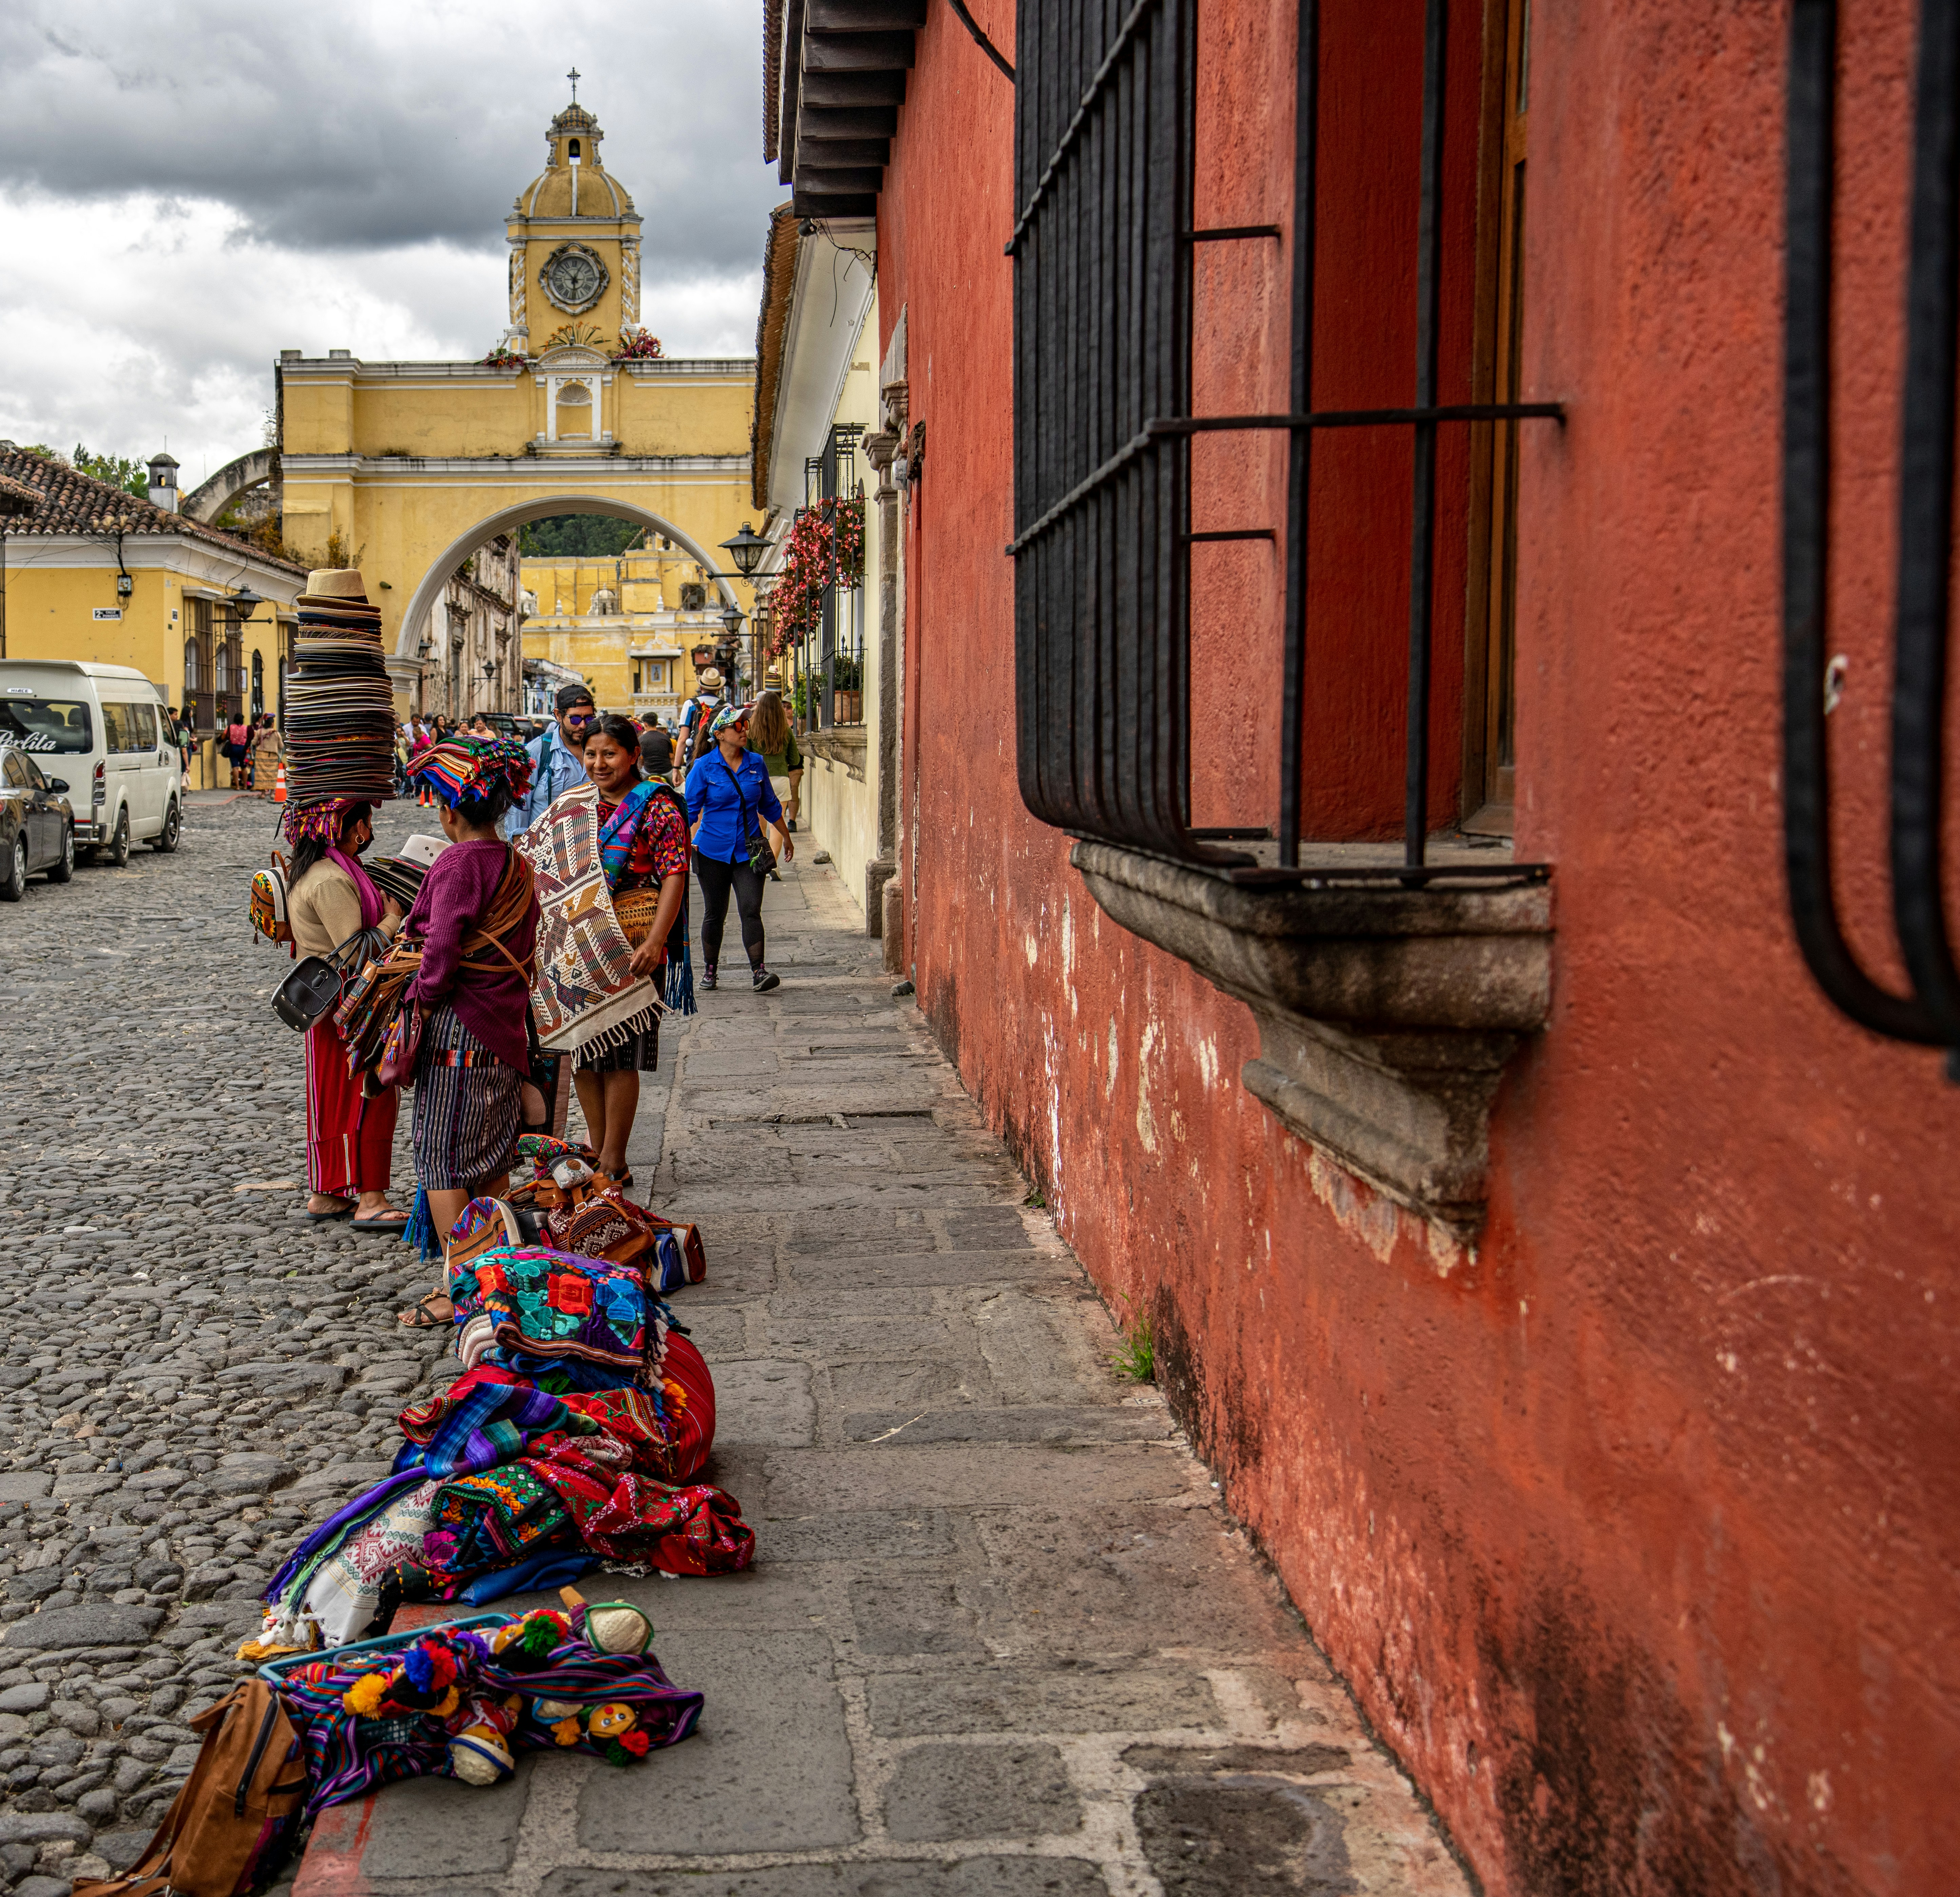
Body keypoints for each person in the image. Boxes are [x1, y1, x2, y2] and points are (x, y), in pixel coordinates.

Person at [395, 737, 541, 1328]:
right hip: (504, 1027)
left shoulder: (456, 864)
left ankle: (463, 1290)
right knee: (489, 1154)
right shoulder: (516, 863)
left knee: (441, 1159)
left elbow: (441, 952)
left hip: (459, 1027)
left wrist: (421, 1005)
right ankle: (494, 1277)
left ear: (449, 812)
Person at [568, 713, 691, 1185]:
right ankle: (598, 1150)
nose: (598, 763)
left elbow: (674, 874)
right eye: (591, 754)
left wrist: (658, 940)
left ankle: (616, 1159)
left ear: (634, 755)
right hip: (579, 941)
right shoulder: (576, 808)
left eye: (609, 754)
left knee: (620, 1051)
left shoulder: (657, 808)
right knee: (583, 1046)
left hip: (635, 939)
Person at [285, 800, 409, 1230]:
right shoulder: (332, 880)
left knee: (333, 1096)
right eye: (368, 821)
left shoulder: (319, 871)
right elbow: (357, 951)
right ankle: (370, 1198)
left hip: (327, 1003)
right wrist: (394, 920)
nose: (371, 830)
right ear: (356, 828)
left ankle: (329, 1192)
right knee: (369, 1094)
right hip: (349, 1007)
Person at [685, 701, 793, 992]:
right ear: (720, 734)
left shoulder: (756, 762)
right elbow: (690, 811)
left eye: (746, 724)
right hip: (711, 852)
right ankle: (710, 971)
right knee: (714, 913)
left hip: (750, 851)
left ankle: (759, 972)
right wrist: (678, 846)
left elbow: (770, 804)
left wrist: (787, 836)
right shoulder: (703, 767)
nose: (745, 730)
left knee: (750, 910)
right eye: (738, 725)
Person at [503, 682, 595, 838]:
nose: (582, 725)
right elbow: (518, 808)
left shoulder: (599, 750)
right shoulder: (536, 751)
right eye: (575, 719)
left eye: (589, 719)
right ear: (559, 715)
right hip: (544, 852)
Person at [747, 690, 804, 835]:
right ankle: (773, 858)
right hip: (781, 780)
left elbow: (745, 756)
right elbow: (795, 760)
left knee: (760, 825)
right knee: (777, 826)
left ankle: (762, 858)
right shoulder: (786, 731)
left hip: (757, 780)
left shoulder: (752, 730)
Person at [252, 713, 283, 796]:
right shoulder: (276, 733)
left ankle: (263, 794)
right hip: (272, 757)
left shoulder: (260, 732)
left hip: (261, 756)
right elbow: (281, 746)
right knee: (272, 775)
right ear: (272, 724)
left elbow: (254, 743)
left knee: (261, 775)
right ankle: (272, 793)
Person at [640, 717, 675, 783]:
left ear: (646, 725)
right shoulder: (667, 739)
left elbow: (641, 760)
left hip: (648, 772)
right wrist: (676, 770)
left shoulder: (642, 739)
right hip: (666, 772)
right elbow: (672, 757)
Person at [223, 710, 251, 789]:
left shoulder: (230, 727)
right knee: (244, 767)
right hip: (243, 749)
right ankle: (245, 786)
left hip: (233, 748)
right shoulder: (246, 728)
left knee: (235, 767)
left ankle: (238, 786)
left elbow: (224, 736)